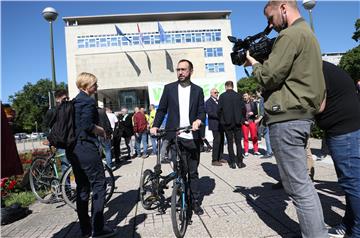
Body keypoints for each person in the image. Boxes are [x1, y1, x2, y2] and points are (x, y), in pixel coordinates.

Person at [245, 1, 328, 237]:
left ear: (283, 7)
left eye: (271, 18)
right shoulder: (309, 35)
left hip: (286, 118)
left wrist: (253, 64)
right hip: (301, 117)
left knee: (298, 189)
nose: (270, 25)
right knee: (304, 186)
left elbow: (269, 76)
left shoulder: (289, 35)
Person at [150, 59, 205, 215]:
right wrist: (155, 125)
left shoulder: (198, 90)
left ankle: (194, 201)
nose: (180, 72)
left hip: (192, 136)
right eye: (178, 69)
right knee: (180, 171)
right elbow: (161, 110)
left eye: (184, 69)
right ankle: (182, 198)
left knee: (193, 172)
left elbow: (202, 110)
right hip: (175, 136)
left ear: (190, 71)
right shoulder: (169, 89)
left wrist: (198, 120)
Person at [69, 72, 117, 238]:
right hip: (86, 148)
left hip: (73, 150)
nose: (97, 87)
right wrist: (101, 130)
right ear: (85, 86)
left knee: (82, 189)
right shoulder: (87, 101)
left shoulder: (74, 102)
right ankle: (98, 228)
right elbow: (87, 125)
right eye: (94, 85)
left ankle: (85, 229)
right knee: (99, 185)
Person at [316, 61, 360, 238]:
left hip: (344, 131)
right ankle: (349, 224)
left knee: (353, 184)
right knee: (352, 183)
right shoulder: (324, 67)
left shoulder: (315, 70)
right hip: (348, 129)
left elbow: (319, 105)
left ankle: (357, 231)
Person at [218, 81, 246, 169]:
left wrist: (222, 120)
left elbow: (219, 110)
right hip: (238, 122)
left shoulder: (222, 96)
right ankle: (240, 162)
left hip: (227, 123)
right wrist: (242, 119)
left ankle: (232, 162)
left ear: (226, 87)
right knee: (238, 143)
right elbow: (243, 109)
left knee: (230, 143)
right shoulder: (238, 95)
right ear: (232, 86)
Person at [43, 89, 70, 177]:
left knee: (71, 162)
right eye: (64, 99)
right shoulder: (52, 111)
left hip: (69, 139)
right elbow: (44, 125)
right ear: (57, 99)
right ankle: (66, 189)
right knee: (65, 164)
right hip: (58, 140)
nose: (66, 101)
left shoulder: (69, 109)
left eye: (67, 99)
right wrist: (49, 137)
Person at [205, 88, 225, 166]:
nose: (217, 94)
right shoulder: (208, 102)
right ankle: (214, 160)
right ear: (211, 93)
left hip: (221, 124)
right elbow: (210, 113)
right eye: (215, 92)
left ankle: (220, 157)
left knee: (222, 140)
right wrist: (220, 116)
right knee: (217, 141)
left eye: (217, 92)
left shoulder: (219, 101)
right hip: (214, 124)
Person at [255, 88, 273, 159]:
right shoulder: (266, 98)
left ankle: (269, 153)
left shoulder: (262, 99)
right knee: (267, 136)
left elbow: (262, 112)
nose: (256, 94)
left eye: (257, 93)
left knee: (267, 137)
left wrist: (258, 120)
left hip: (265, 121)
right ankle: (270, 151)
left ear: (260, 92)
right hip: (268, 120)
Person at [241, 92, 260, 157]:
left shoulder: (253, 103)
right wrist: (244, 121)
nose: (244, 97)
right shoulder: (241, 104)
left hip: (252, 121)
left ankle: (256, 150)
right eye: (244, 96)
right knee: (245, 137)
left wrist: (253, 113)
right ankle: (246, 151)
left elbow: (256, 112)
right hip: (245, 123)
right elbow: (240, 114)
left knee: (254, 136)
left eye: (246, 95)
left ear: (249, 96)